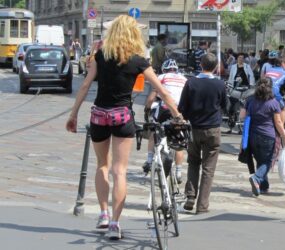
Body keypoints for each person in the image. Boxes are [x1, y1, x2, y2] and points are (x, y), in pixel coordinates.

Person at [65, 15, 182, 240]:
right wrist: (177, 114)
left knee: (102, 166)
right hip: (122, 117)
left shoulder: (101, 56)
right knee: (120, 171)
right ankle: (115, 225)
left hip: (99, 115)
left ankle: (103, 214)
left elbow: (85, 86)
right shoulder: (138, 60)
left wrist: (73, 115)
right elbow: (162, 90)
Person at [178, 53, 227, 214]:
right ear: (215, 67)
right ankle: (202, 205)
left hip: (193, 128)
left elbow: (182, 107)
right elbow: (225, 105)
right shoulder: (220, 85)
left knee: (193, 162)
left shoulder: (191, 82)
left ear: (201, 65)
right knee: (208, 168)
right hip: (213, 129)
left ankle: (190, 195)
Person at [240, 78, 285, 196]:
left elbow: (242, 116)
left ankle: (263, 186)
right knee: (268, 161)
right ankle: (257, 178)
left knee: (260, 160)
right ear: (271, 88)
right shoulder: (273, 103)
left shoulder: (251, 101)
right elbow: (278, 123)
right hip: (268, 136)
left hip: (252, 135)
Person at [143, 59, 187, 183]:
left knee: (154, 130)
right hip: (180, 111)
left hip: (165, 109)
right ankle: (178, 172)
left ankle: (149, 160)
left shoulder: (161, 77)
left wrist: (147, 109)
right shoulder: (184, 79)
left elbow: (152, 98)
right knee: (179, 140)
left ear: (164, 69)